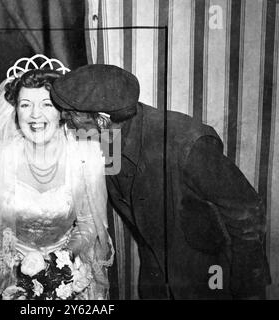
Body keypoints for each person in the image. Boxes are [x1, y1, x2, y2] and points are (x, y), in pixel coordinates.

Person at [50, 64, 271, 299]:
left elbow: (247, 207)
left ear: (103, 119)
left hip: (213, 273)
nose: (66, 120)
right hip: (158, 275)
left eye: (72, 113)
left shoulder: (185, 144)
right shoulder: (106, 138)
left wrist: (247, 286)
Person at [0, 55, 113, 300]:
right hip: (6, 270)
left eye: (46, 105)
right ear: (14, 110)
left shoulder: (87, 154)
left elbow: (89, 223)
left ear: (63, 111)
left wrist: (59, 263)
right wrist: (23, 272)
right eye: (25, 105)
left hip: (66, 267)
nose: (34, 115)